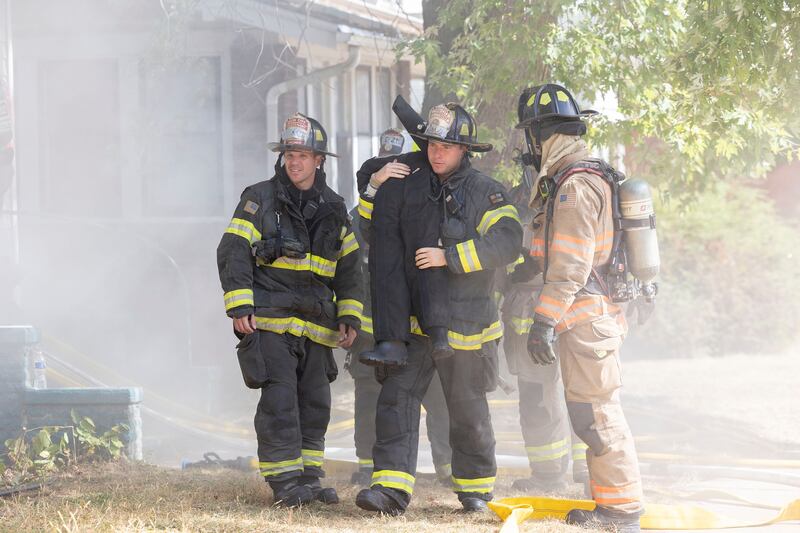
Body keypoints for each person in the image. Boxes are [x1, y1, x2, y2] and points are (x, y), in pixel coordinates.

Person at [354, 103, 523, 515]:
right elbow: (369, 229)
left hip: (467, 324)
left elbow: (508, 240)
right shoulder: (408, 183)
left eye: (446, 145)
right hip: (414, 326)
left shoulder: (486, 191)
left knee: (466, 409)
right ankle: (390, 489)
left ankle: (475, 490)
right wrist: (375, 186)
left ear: (464, 149)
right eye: (431, 143)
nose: (436, 152)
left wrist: (451, 256)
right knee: (395, 399)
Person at [216, 113, 362, 508]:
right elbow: (232, 251)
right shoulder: (259, 198)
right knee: (280, 400)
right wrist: (240, 304)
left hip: (316, 327)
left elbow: (350, 269)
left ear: (319, 160)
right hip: (271, 321)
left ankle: (309, 479)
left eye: (302, 154)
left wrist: (349, 316)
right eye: (289, 154)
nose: (294, 162)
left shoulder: (334, 208)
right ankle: (284, 482)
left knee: (315, 404)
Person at [517, 83, 643, 532]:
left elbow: (570, 263)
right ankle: (611, 506)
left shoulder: (574, 186)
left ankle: (621, 511)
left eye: (531, 135)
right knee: (592, 413)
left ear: (540, 133)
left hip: (585, 318)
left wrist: (543, 321)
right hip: (591, 319)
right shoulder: (584, 174)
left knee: (597, 415)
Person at [346, 128, 453, 486]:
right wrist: (374, 189)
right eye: (385, 165)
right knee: (371, 396)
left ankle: (450, 470)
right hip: (373, 325)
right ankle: (368, 465)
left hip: (418, 322)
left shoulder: (426, 200)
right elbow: (361, 237)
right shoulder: (364, 206)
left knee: (438, 395)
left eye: (398, 166)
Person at [500, 173, 589, 493]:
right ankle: (586, 468)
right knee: (579, 391)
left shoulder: (551, 200)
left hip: (536, 308)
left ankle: (549, 474)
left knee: (540, 398)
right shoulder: (578, 192)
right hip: (573, 304)